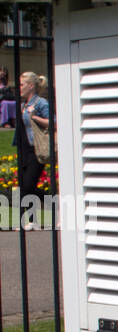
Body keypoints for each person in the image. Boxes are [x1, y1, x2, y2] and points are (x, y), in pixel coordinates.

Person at [18, 72, 51, 230]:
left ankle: (54, 200)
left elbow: (53, 122)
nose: (20, 88)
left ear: (31, 86)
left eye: (22, 84)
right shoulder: (23, 104)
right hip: (24, 149)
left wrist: (35, 117)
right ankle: (33, 221)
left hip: (37, 149)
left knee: (28, 186)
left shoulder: (40, 103)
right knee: (24, 185)